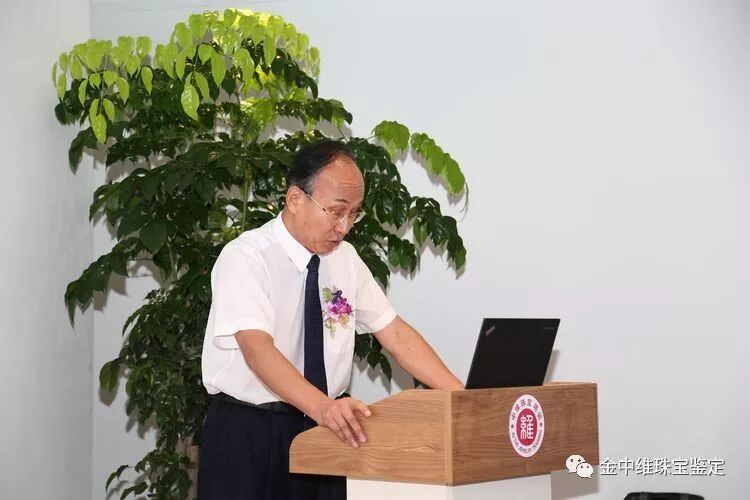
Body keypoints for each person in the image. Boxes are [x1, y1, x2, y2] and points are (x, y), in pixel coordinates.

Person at [198, 139, 464, 500]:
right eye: (336, 211)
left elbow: (396, 335)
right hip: (251, 432)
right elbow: (257, 350)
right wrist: (321, 407)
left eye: (354, 214)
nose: (345, 226)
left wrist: (464, 400)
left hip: (328, 429)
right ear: (295, 199)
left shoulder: (345, 259)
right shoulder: (246, 257)